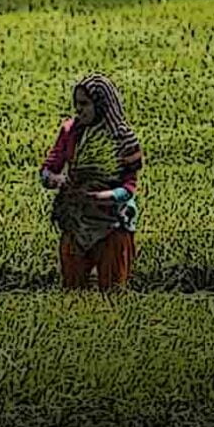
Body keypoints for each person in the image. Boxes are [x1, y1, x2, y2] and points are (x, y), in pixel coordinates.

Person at [40, 74, 144, 290]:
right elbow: (47, 170)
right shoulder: (70, 132)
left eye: (85, 104)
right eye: (76, 104)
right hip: (77, 219)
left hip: (112, 222)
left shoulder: (123, 139)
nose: (78, 110)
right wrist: (58, 181)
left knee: (113, 289)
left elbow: (129, 188)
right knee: (73, 287)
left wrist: (101, 197)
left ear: (101, 105)